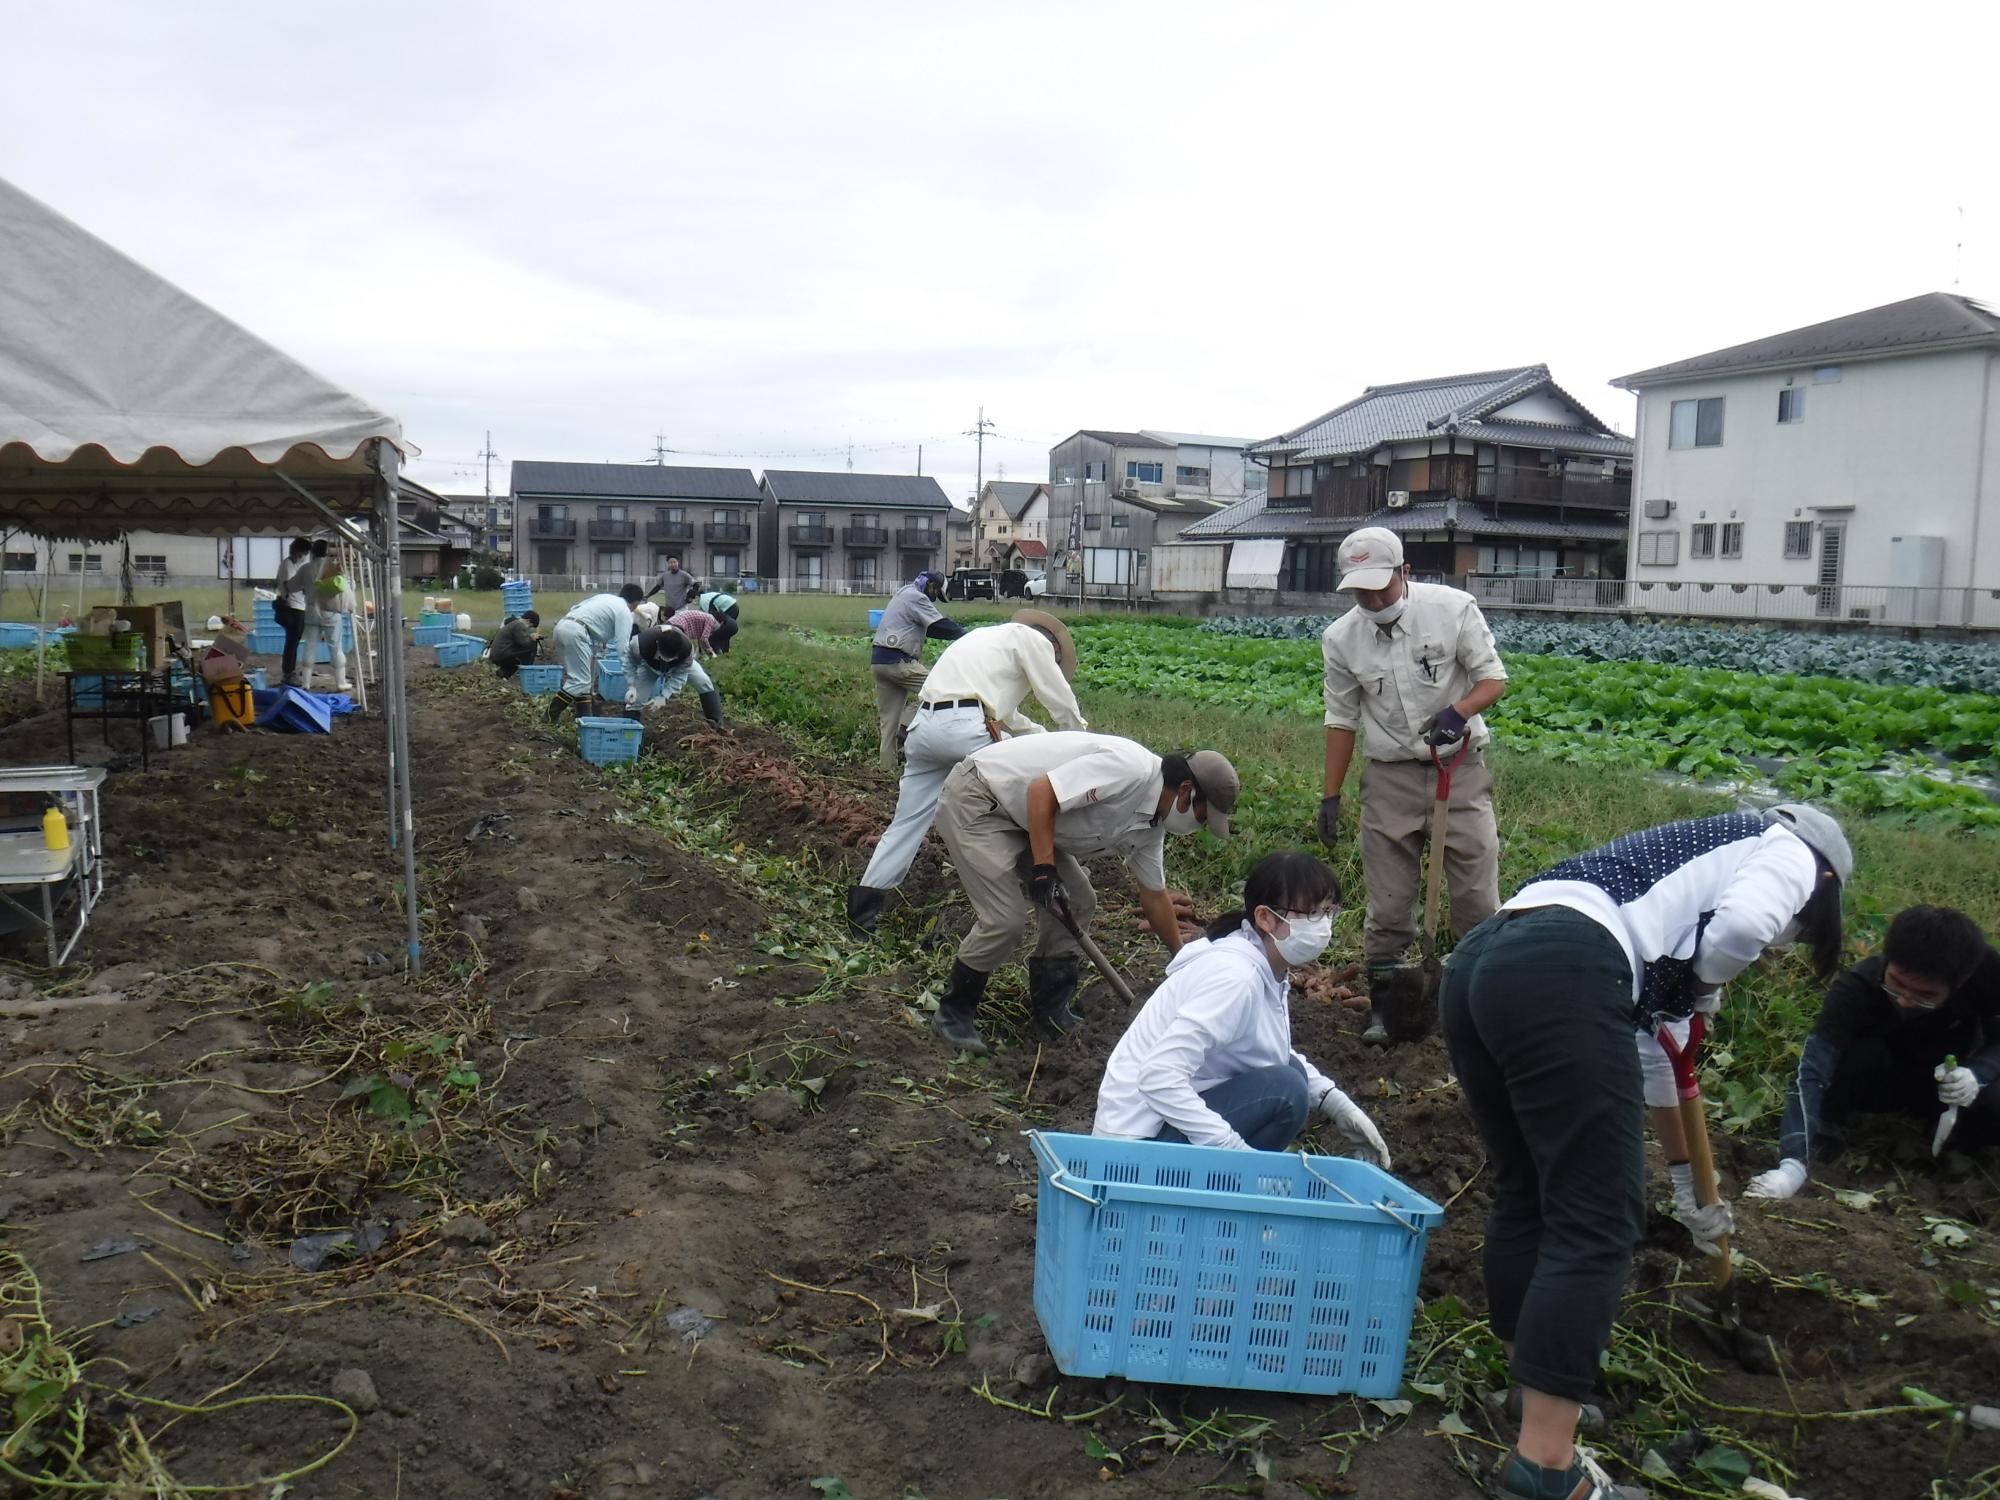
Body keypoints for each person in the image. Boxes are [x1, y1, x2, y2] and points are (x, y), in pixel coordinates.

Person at [1439, 804, 1850, 1500]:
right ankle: (1546, 1468)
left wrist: (1691, 1187)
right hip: (1564, 967)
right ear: (1824, 883)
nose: (1782, 942)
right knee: (1599, 1219)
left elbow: (1663, 1068)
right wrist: (1709, 979)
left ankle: (1527, 1390)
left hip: (1487, 957)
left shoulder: (1662, 887)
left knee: (1531, 1192)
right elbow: (1745, 929)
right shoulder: (1794, 849)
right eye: (1798, 929)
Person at [1316, 526, 1508, 1044]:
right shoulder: (1341, 638)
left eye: (1382, 586)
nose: (1373, 599)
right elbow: (1341, 719)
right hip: (1389, 779)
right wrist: (1330, 795)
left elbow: (1494, 678)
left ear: (1405, 572)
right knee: (1388, 904)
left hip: (1459, 771)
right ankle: (1388, 1010)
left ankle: (1478, 1009)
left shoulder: (1453, 609)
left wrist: (1458, 711)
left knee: (1476, 898)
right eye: (1361, 591)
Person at [931, 731, 1240, 1052]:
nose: (1201, 825)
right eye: (1204, 816)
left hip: (1027, 818)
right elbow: (1042, 792)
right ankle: (954, 1012)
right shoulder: (1129, 770)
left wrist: (1182, 959)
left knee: (1079, 901)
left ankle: (1050, 1011)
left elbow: (1154, 896)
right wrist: (1044, 870)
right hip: (982, 798)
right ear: (1187, 791)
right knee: (1005, 920)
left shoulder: (1151, 825)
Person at [1094, 851, 1390, 1164]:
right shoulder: (1236, 978)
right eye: (1312, 914)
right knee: (1286, 1091)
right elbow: (1158, 1076)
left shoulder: (1265, 967)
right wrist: (1234, 1153)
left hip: (1154, 1131)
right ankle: (1227, 1190)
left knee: (1292, 1072)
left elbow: (1266, 1051)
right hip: (1133, 1150)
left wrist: (1336, 1103)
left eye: (1329, 912)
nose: (1323, 926)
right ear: (1265, 918)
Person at [847, 610, 1083, 936]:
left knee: (906, 825)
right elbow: (1059, 698)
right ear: (1052, 645)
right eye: (1055, 659)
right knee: (1020, 801)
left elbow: (1009, 716)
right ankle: (1041, 873)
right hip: (964, 729)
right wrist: (1081, 742)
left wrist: (1042, 737)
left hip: (923, 728)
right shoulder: (1033, 641)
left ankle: (861, 914)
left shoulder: (985, 641)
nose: (1052, 664)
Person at [1745, 906, 2000, 1198]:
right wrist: (1792, 1162)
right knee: (1856, 1054)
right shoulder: (1856, 988)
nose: (1905, 1001)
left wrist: (1978, 1073)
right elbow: (1812, 1073)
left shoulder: (1988, 973)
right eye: (1897, 984)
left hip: (1948, 1081)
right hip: (1879, 1076)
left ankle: (1961, 1147)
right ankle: (1829, 1132)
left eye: (1925, 995)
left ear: (1959, 984)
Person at [872, 571, 968, 770]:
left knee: (888, 722)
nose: (934, 599)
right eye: (936, 593)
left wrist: (955, 634)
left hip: (879, 662)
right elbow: (940, 625)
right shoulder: (917, 596)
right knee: (941, 688)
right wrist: (966, 635)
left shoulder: (904, 593)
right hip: (899, 662)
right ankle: (910, 726)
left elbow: (931, 629)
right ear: (930, 584)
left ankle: (886, 769)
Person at [549, 583, 643, 723]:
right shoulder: (624, 612)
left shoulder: (605, 598)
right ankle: (550, 716)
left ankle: (585, 719)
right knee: (580, 681)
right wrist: (631, 681)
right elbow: (622, 649)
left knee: (583, 680)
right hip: (576, 633)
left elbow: (578, 610)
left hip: (562, 627)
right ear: (636, 603)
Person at [625, 624, 727, 730]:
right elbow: (629, 663)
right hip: (649, 667)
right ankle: (628, 732)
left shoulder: (687, 650)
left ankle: (717, 724)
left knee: (704, 682)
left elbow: (680, 676)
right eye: (663, 656)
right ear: (657, 644)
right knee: (636, 699)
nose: (666, 660)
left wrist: (664, 696)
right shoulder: (639, 644)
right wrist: (631, 685)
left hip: (678, 666)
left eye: (671, 658)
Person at [299, 540, 353, 693]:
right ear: (327, 551)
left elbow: (293, 585)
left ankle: (306, 683)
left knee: (309, 646)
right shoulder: (333, 567)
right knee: (336, 647)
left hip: (310, 611)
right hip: (330, 611)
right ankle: (341, 682)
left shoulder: (305, 568)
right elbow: (345, 587)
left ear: (312, 552)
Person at [272, 537, 314, 686]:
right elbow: (290, 585)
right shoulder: (288, 565)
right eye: (305, 553)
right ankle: (288, 673)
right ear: (299, 552)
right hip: (293, 607)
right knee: (292, 642)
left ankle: (289, 672)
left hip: (297, 606)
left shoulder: (292, 564)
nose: (305, 557)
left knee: (293, 642)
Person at [490, 610, 543, 678]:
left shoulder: (514, 623)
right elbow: (524, 643)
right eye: (530, 626)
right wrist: (532, 638)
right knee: (529, 649)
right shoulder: (519, 625)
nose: (528, 629)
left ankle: (502, 674)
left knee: (515, 662)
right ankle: (527, 670)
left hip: (497, 652)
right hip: (501, 654)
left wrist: (529, 637)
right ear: (528, 621)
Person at [699, 587, 741, 654]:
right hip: (733, 605)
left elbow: (709, 617)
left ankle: (718, 651)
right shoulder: (707, 595)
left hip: (728, 607)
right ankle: (725, 651)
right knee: (725, 632)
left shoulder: (702, 600)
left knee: (723, 631)